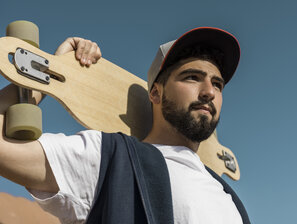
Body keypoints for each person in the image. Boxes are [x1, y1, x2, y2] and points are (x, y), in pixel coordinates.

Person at [0, 27, 250, 224]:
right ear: (155, 93)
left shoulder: (229, 198)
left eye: (217, 84)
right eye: (192, 77)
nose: (208, 92)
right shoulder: (110, 159)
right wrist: (51, 70)